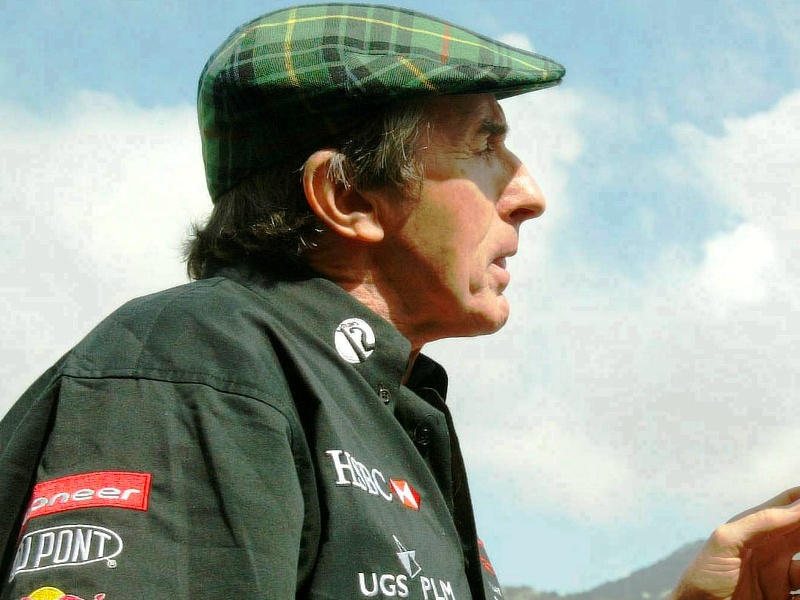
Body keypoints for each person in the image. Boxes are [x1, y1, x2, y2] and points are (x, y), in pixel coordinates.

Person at [0, 4, 797, 599]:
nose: (530, 194)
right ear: (348, 197)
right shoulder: (198, 366)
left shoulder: (379, 404)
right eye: (485, 143)